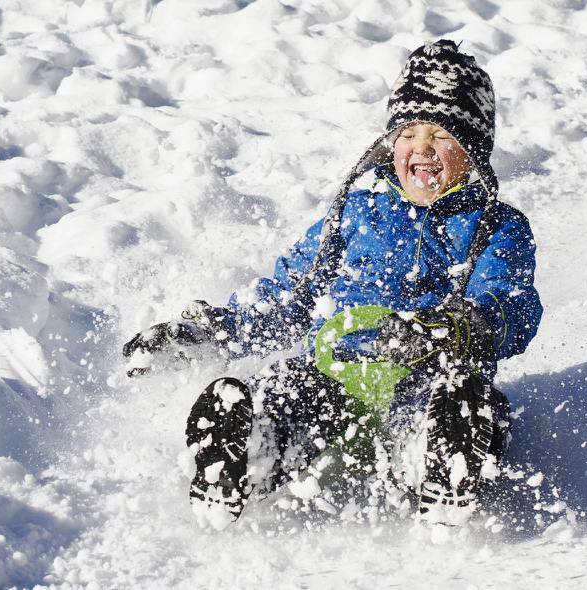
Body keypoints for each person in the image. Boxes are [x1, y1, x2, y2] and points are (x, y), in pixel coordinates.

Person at [122, 40, 541, 526]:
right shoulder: (354, 217)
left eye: (441, 135)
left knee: (467, 400)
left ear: (473, 149)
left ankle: (438, 458)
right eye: (408, 132)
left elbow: (513, 299)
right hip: (332, 371)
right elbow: (287, 298)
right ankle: (248, 449)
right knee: (282, 391)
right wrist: (208, 330)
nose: (422, 148)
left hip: (426, 373)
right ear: (390, 144)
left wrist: (467, 324)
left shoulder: (496, 226)